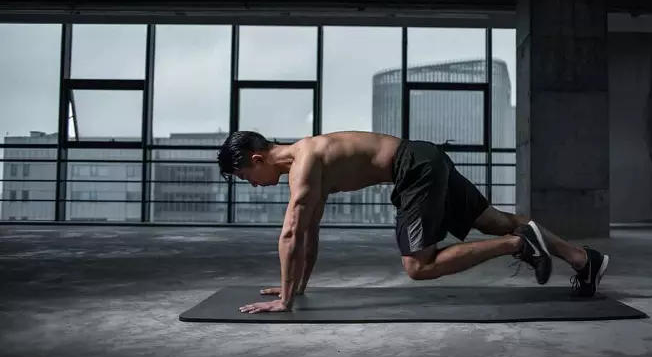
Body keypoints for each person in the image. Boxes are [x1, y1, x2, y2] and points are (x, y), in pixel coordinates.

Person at [216, 130, 609, 314]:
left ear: (256, 160)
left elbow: (289, 234)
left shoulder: (304, 164)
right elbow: (308, 231)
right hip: (424, 157)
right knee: (496, 220)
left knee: (419, 266)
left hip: (413, 167)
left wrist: (285, 302)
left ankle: (520, 244)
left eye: (245, 178)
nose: (252, 186)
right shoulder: (308, 158)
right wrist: (296, 287)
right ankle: (582, 259)